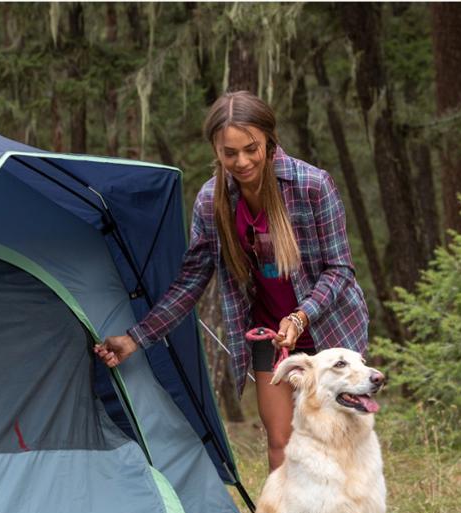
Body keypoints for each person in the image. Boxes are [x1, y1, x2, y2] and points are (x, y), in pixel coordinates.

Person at [94, 90, 369, 471]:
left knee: (338, 441)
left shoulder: (311, 185)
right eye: (229, 153)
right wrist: (135, 338)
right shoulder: (212, 201)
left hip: (329, 331)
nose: (241, 161)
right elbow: (191, 281)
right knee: (281, 444)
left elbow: (340, 270)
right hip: (268, 338)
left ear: (269, 143)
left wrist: (300, 317)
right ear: (216, 151)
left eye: (250, 149)